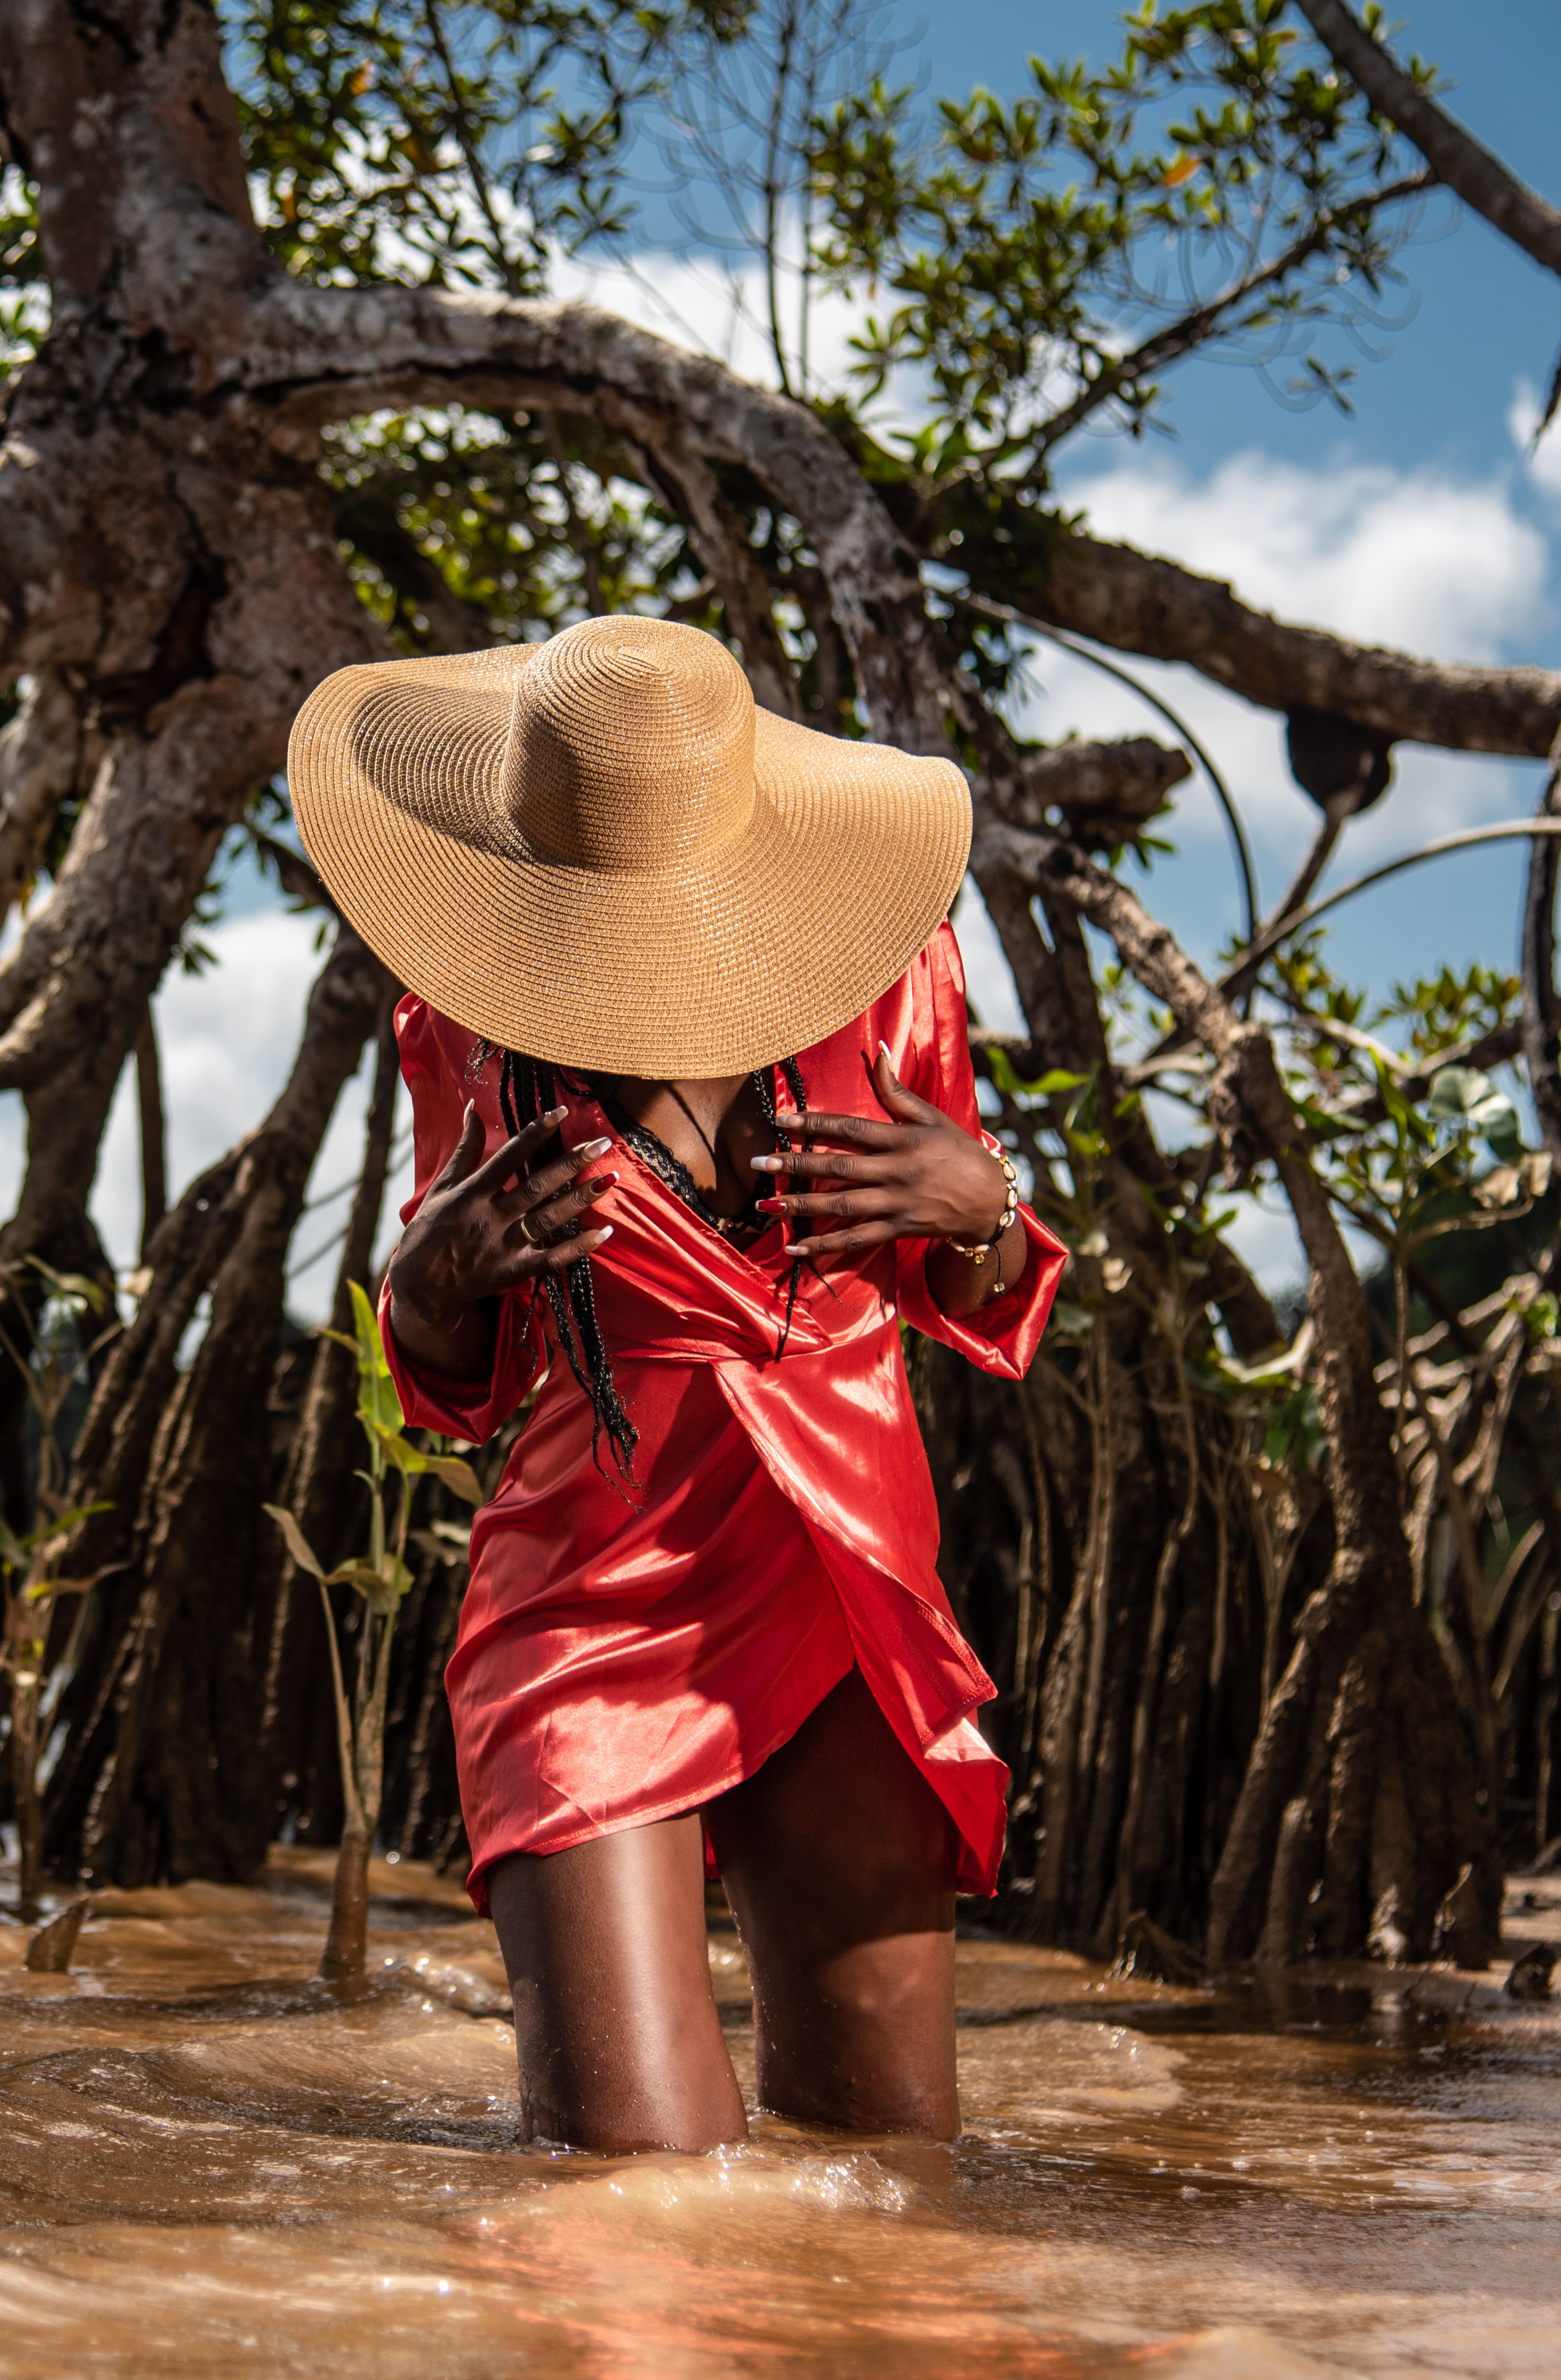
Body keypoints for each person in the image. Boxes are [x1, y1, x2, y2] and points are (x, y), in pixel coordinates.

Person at [285, 614, 1065, 2152]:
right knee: (628, 2200)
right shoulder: (467, 1007)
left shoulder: (890, 970)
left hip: (842, 1575)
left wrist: (978, 1206)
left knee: (889, 2195)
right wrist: (432, 1279)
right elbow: (453, 1383)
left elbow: (966, 1283)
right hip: (584, 1593)